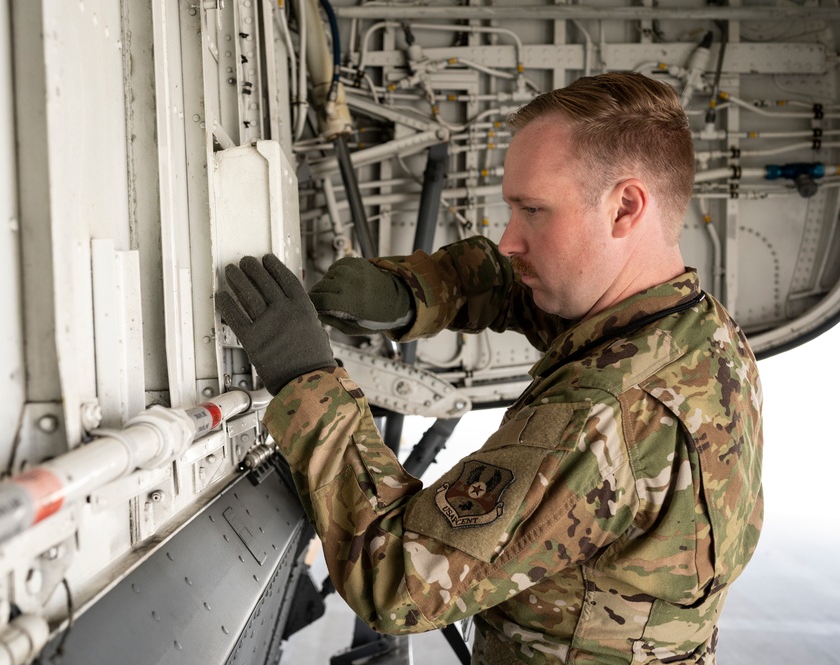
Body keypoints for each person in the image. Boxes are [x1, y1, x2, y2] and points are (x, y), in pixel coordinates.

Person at [215, 72, 763, 665]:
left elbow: (398, 578)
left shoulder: (603, 415)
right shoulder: (699, 332)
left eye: (533, 210)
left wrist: (304, 379)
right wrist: (414, 293)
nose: (508, 240)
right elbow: (513, 288)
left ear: (624, 207)